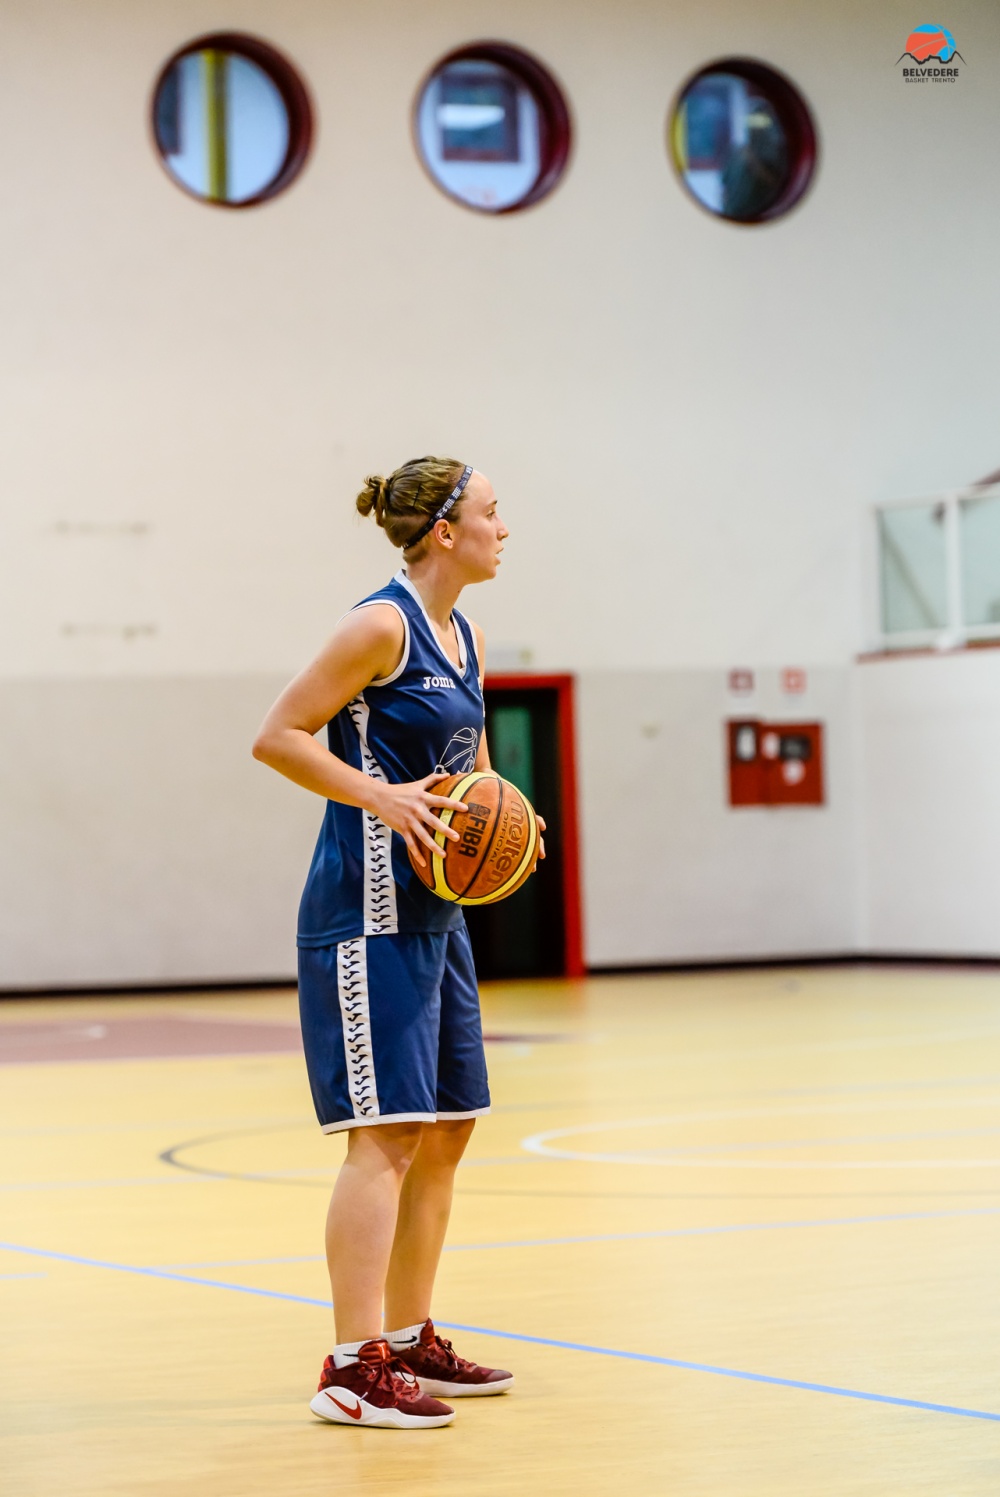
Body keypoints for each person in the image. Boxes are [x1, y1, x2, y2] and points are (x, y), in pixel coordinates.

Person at [252, 455, 541, 1430]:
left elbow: (475, 772)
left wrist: (510, 822)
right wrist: (379, 796)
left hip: (438, 915)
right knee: (383, 1137)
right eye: (494, 512)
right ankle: (351, 1365)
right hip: (366, 911)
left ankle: (411, 1336)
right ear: (447, 531)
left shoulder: (470, 637)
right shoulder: (380, 625)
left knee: (446, 1128)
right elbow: (279, 735)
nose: (506, 528)